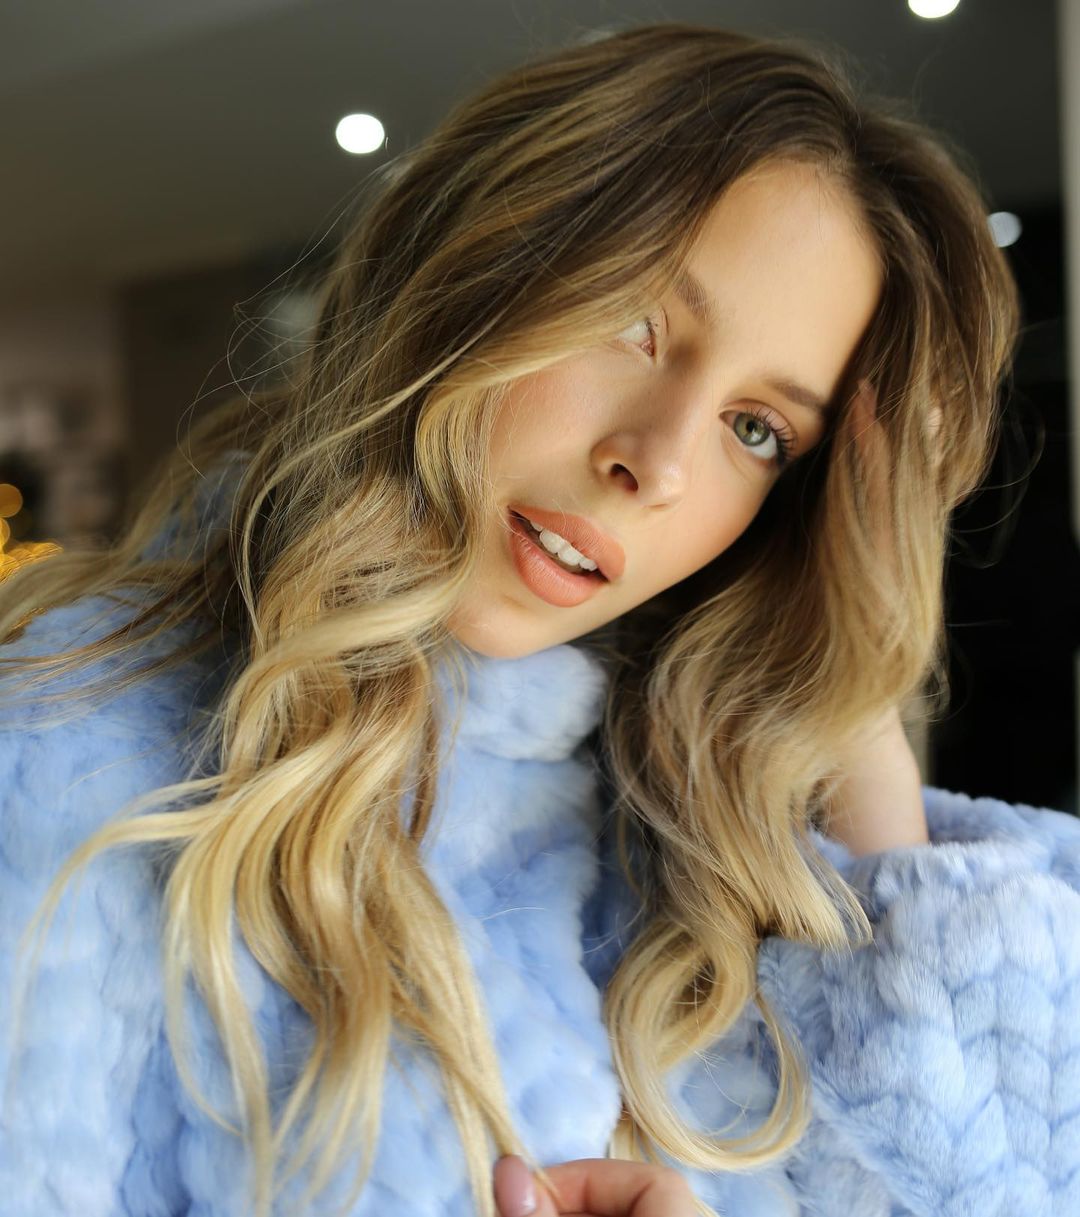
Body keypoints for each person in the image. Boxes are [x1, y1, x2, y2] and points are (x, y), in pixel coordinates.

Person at [1, 21, 1076, 1217]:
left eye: (758, 430)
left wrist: (853, 663)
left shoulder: (701, 848)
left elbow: (1004, 1181)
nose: (659, 463)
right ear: (475, 268)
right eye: (635, 322)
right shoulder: (65, 764)